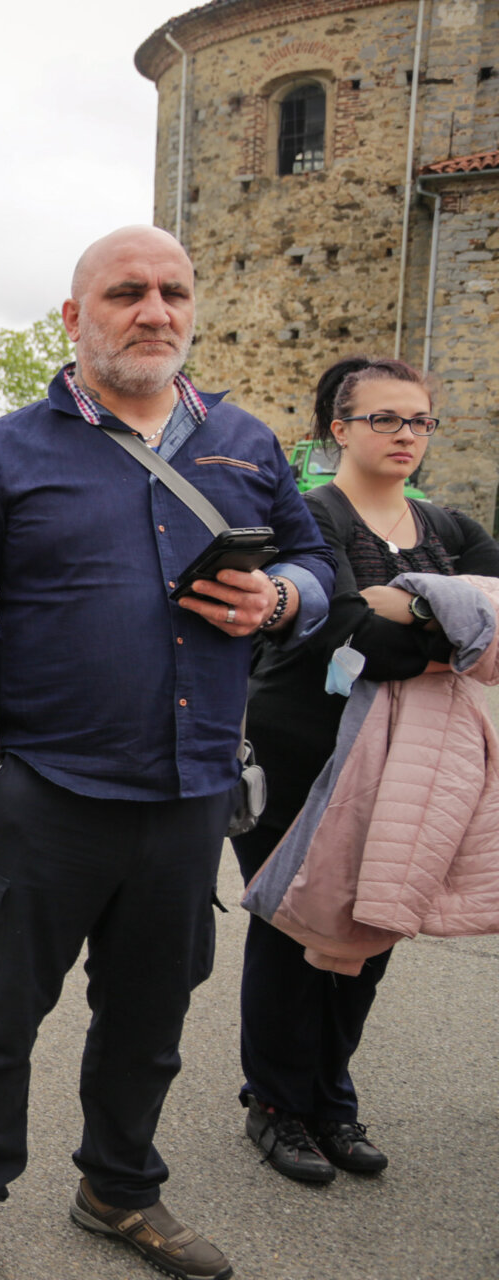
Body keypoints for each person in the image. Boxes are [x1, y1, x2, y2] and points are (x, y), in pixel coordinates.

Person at [0, 226, 334, 1280]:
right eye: (127, 291)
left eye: (174, 292)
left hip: (193, 790)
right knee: (0, 1011)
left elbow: (314, 559)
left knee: (151, 1015)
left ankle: (118, 1187)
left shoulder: (245, 441)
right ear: (74, 315)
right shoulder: (0, 451)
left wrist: (278, 598)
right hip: (44, 788)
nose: (154, 310)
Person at [235, 356, 499, 1185]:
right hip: (301, 758)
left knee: (370, 932)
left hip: (410, 768)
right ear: (338, 429)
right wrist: (451, 621)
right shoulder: (309, 520)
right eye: (386, 419)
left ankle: (330, 1099)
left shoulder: (449, 526)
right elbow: (357, 639)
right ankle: (276, 1105)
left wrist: (414, 602)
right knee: (293, 935)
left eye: (419, 420)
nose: (406, 435)